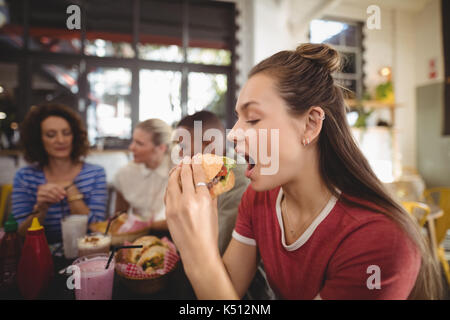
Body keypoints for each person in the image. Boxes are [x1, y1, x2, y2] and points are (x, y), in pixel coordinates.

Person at [164, 43, 443, 299]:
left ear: (310, 124)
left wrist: (197, 253)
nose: (233, 135)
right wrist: (197, 237)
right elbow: (228, 289)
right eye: (238, 119)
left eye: (253, 118)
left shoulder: (380, 242)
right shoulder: (258, 199)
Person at [12, 103, 107, 244]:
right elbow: (20, 233)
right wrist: (41, 209)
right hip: (42, 253)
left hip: (87, 253)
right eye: (51, 135)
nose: (61, 140)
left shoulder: (95, 173)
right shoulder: (25, 177)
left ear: (74, 136)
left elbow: (99, 229)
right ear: (38, 139)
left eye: (66, 133)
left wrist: (72, 191)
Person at [174, 111, 249, 255]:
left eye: (183, 147)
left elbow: (221, 246)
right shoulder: (207, 172)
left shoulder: (236, 177)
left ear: (210, 145)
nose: (179, 155)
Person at [113, 119, 173, 233]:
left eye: (139, 143)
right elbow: (119, 217)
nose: (131, 147)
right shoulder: (124, 174)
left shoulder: (179, 171)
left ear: (161, 148)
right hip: (136, 237)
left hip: (173, 235)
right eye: (133, 141)